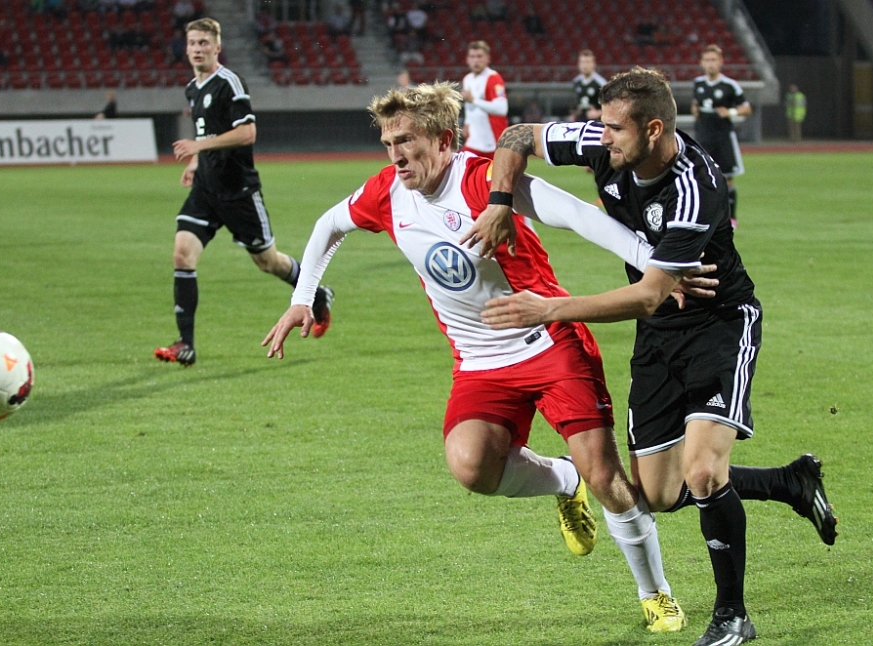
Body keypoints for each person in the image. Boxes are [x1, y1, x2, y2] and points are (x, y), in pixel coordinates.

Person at [262, 82, 717, 634]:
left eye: (406, 141)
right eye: (387, 143)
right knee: (470, 466)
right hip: (478, 360)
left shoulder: (483, 181)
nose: (395, 155)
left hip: (548, 342)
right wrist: (302, 297)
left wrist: (657, 265)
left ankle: (655, 594)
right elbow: (328, 226)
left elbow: (576, 213)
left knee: (606, 475)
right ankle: (562, 479)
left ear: (443, 139)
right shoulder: (387, 192)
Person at [463, 67, 839, 646]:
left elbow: (647, 295)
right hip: (660, 335)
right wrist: (499, 201)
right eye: (602, 124)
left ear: (654, 129)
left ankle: (732, 617)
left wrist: (548, 309)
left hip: (718, 325)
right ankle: (790, 482)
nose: (602, 137)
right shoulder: (602, 143)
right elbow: (515, 137)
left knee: (703, 471)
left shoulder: (695, 186)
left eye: (615, 128)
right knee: (660, 494)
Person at [155, 18, 334, 367]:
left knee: (268, 262)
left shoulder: (229, 82)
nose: (197, 49)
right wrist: (196, 162)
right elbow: (207, 131)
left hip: (238, 192)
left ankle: (317, 294)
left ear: (217, 47)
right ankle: (185, 344)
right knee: (182, 255)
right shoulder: (193, 88)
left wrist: (198, 146)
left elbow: (247, 133)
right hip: (206, 190)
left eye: (204, 43)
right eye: (192, 43)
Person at [691, 44, 750, 229]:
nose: (710, 64)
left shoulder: (729, 85)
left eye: (713, 60)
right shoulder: (698, 84)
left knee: (727, 179)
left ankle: (731, 218)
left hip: (723, 138)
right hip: (703, 138)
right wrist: (695, 109)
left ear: (721, 62)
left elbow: (746, 108)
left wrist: (730, 112)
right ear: (701, 63)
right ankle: (705, 217)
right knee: (702, 179)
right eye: (707, 60)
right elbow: (696, 102)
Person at [460, 40, 507, 159]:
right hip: (473, 141)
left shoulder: (493, 78)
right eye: (472, 57)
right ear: (467, 59)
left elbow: (502, 109)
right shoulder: (467, 79)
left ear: (487, 59)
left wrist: (474, 100)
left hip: (492, 142)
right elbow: (469, 107)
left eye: (479, 56)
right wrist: (467, 123)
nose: (476, 61)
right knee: (461, 167)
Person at [570, 49, 605, 122]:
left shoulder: (601, 83)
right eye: (582, 62)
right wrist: (574, 114)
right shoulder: (576, 82)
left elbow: (610, 106)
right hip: (579, 121)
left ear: (593, 64)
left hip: (596, 122)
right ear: (578, 64)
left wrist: (598, 113)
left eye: (588, 62)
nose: (585, 65)